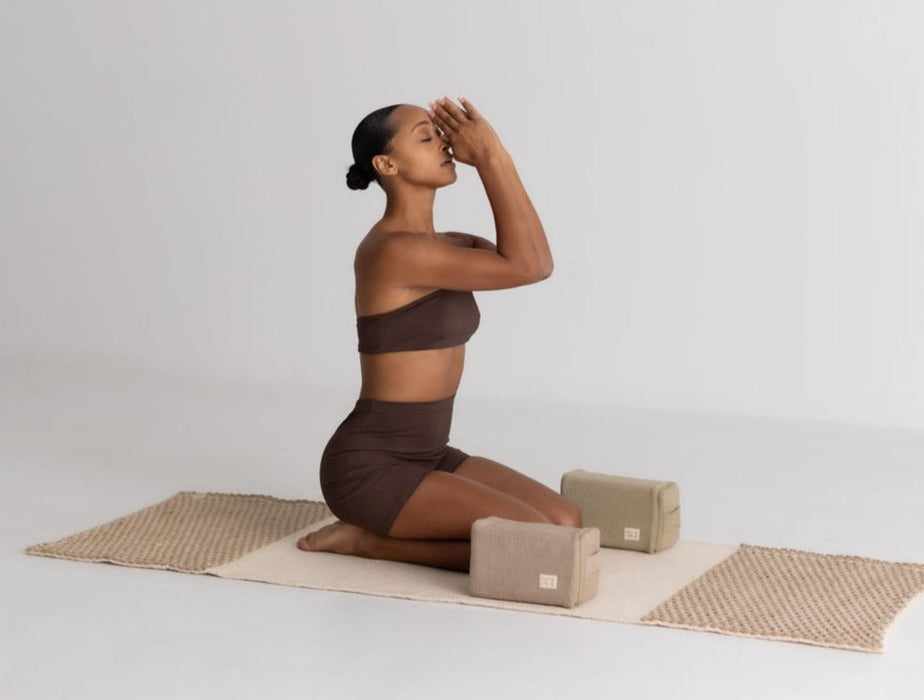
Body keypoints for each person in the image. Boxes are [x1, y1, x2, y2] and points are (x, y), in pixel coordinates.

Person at [297, 96, 580, 571]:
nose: (444, 143)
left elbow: (536, 262)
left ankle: (375, 535)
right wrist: (491, 157)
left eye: (439, 134)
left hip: (429, 454)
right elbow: (527, 264)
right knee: (539, 543)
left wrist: (496, 154)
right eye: (425, 137)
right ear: (386, 164)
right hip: (372, 467)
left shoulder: (448, 245)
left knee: (565, 524)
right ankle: (369, 543)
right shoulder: (391, 252)